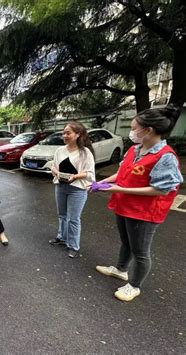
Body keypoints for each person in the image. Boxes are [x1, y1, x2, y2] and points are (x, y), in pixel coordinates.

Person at [94, 105, 183, 302]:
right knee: (126, 241)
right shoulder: (135, 149)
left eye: (134, 128)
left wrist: (119, 189)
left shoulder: (165, 156)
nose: (131, 132)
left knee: (141, 252)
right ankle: (120, 269)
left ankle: (134, 286)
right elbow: (123, 173)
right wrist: (103, 182)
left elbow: (161, 189)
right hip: (125, 205)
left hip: (144, 212)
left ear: (148, 130)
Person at [49, 122, 95, 258]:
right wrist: (57, 173)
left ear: (78, 134)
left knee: (73, 218)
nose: (65, 135)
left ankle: (73, 245)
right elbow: (53, 166)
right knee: (62, 214)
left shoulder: (85, 152)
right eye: (64, 133)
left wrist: (75, 176)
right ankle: (61, 237)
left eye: (68, 133)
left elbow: (89, 173)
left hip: (77, 189)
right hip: (61, 186)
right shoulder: (60, 151)